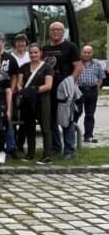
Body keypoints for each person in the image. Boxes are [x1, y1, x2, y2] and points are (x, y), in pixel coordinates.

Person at [42, 21, 82, 155]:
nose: (55, 32)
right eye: (53, 30)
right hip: (49, 90)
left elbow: (78, 67)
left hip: (65, 90)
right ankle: (56, 148)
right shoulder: (45, 48)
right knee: (51, 121)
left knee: (66, 120)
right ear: (49, 32)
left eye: (58, 29)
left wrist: (70, 83)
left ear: (63, 32)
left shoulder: (71, 47)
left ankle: (70, 150)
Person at [17, 43, 53, 163]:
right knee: (29, 128)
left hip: (42, 100)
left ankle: (47, 155)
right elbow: (19, 84)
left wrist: (33, 91)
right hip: (27, 101)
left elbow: (48, 85)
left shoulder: (47, 67)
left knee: (45, 127)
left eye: (36, 52)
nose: (33, 55)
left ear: (40, 53)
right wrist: (22, 90)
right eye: (31, 52)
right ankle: (30, 153)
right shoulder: (24, 67)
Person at [78, 44, 104, 143]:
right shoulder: (77, 63)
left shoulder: (96, 63)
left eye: (89, 52)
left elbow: (101, 77)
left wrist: (97, 88)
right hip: (79, 90)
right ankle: (72, 135)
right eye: (85, 52)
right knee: (77, 113)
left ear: (92, 53)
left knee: (90, 114)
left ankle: (88, 136)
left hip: (92, 91)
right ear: (81, 52)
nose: (86, 54)